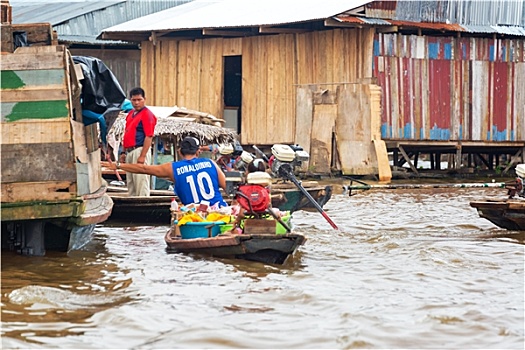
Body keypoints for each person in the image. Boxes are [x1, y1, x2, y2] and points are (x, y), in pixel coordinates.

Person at [102, 136, 227, 207]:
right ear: (198, 152)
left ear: (179, 152)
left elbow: (144, 169)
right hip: (219, 210)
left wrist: (118, 165)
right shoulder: (211, 163)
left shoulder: (173, 168)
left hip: (195, 215)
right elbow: (226, 185)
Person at [122, 87, 157, 196]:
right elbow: (126, 133)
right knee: (131, 183)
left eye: (139, 100)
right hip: (130, 151)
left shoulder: (147, 114)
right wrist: (123, 152)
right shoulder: (130, 114)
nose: (136, 102)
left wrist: (142, 155)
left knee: (141, 182)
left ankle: (144, 205)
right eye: (134, 100)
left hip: (140, 150)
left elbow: (149, 136)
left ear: (144, 99)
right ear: (130, 100)